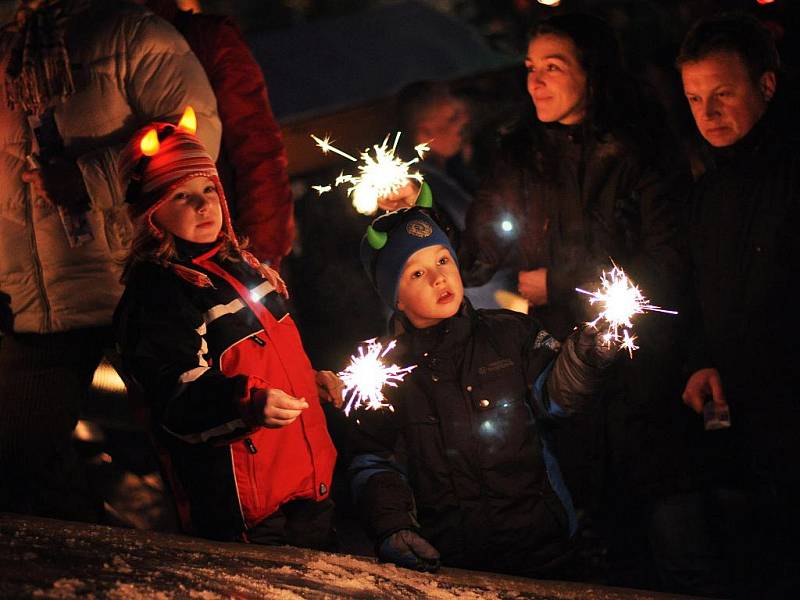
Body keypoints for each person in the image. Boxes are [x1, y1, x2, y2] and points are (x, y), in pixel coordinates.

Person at [0, 0, 220, 523]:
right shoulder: (6, 48)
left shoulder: (130, 33)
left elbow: (193, 133)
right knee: (17, 459)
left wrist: (91, 179)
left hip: (137, 279)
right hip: (38, 300)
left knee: (194, 442)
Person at [347, 186, 618, 577]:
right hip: (455, 563)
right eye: (418, 272)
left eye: (443, 259)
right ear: (396, 297)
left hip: (545, 551)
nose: (439, 277)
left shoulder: (511, 334)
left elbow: (557, 399)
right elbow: (374, 460)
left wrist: (583, 358)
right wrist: (394, 527)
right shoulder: (379, 373)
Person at [113, 108, 341, 545]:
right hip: (245, 509)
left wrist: (307, 383)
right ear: (151, 215)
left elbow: (265, 356)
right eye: (180, 196)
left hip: (307, 487)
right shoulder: (161, 292)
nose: (203, 204)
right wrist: (245, 402)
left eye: (208, 189)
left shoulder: (242, 266)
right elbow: (176, 398)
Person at [677, 13, 800, 597]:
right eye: (695, 97)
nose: (708, 114)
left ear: (767, 85)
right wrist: (703, 359)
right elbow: (705, 291)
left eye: (723, 94)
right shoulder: (711, 191)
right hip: (746, 432)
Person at [144, 0, 294, 270]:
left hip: (226, 238)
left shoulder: (207, 40)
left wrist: (260, 253)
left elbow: (257, 147)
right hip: (163, 251)